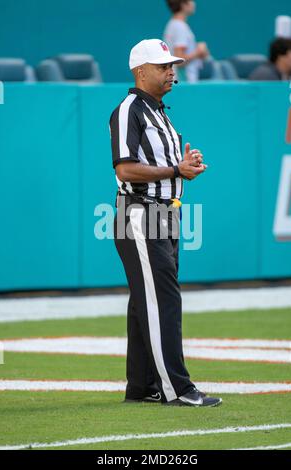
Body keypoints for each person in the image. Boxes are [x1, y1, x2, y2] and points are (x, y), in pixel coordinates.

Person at [109, 38, 222, 407]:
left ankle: (142, 385)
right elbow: (125, 168)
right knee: (163, 302)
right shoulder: (129, 109)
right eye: (162, 66)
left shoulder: (160, 112)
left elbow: (165, 169)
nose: (171, 70)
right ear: (141, 72)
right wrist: (176, 169)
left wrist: (186, 164)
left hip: (165, 211)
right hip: (141, 212)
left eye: (172, 64)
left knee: (147, 301)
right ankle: (178, 389)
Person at [163, 0, 210, 82]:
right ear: (183, 5)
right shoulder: (179, 27)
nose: (194, 3)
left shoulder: (173, 24)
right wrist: (199, 51)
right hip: (185, 82)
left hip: (182, 81)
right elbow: (179, 60)